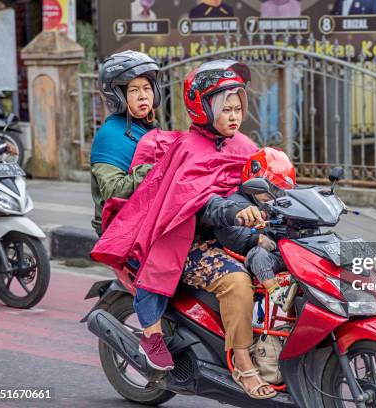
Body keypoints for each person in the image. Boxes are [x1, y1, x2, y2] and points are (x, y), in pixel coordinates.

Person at [92, 60, 277, 399]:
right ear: (204, 109)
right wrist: (234, 211)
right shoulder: (187, 149)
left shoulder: (245, 147)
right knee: (236, 283)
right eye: (225, 109)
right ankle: (242, 362)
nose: (234, 116)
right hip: (189, 242)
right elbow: (193, 201)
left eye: (238, 108)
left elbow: (271, 181)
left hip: (236, 236)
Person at [209, 147, 295, 307]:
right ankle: (278, 294)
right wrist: (256, 239)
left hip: (280, 251)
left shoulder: (273, 203)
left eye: (279, 189)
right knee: (258, 255)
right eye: (271, 187)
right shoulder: (237, 203)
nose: (274, 193)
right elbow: (229, 231)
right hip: (251, 254)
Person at [90, 50, 161, 237]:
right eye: (134, 90)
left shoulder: (148, 127)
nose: (143, 96)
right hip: (121, 229)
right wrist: (155, 168)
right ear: (117, 96)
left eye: (147, 88)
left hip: (147, 219)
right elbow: (114, 191)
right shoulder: (110, 135)